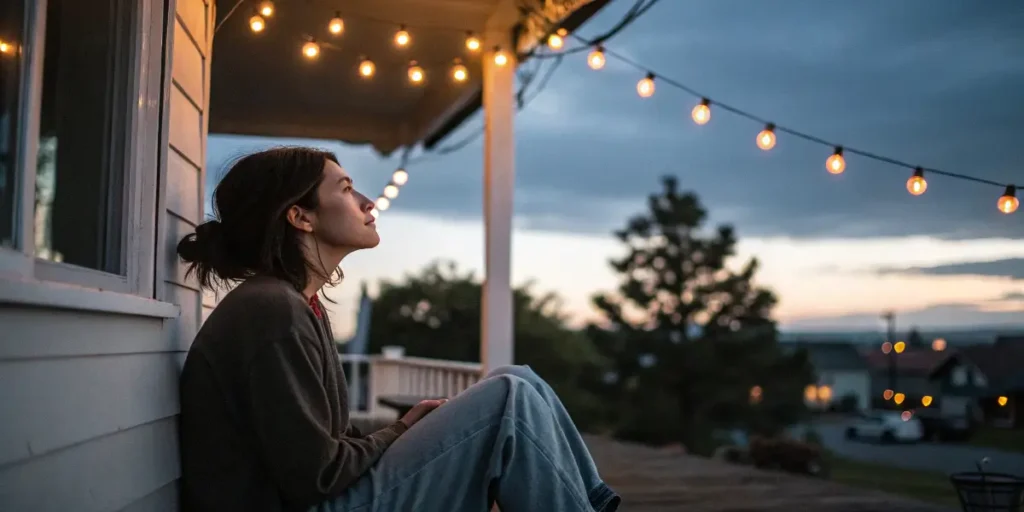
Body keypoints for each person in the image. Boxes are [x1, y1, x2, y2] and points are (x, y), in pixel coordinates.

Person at [176, 147, 620, 512]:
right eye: (347, 189)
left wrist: (403, 429)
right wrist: (398, 432)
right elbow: (318, 476)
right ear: (300, 218)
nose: (368, 203)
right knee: (509, 397)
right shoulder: (272, 311)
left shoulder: (295, 304)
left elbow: (325, 448)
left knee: (521, 379)